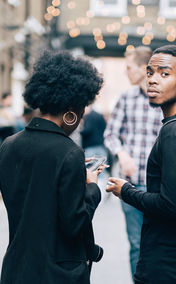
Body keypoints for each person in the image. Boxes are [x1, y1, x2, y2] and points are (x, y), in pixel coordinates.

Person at [106, 44, 176, 284]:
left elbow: (172, 205)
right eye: (150, 73)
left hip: (172, 263)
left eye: (164, 74)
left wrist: (125, 191)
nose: (153, 80)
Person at [0, 50, 104, 284]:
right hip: (57, 273)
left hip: (16, 269)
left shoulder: (8, 145)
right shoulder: (69, 152)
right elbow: (74, 223)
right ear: (72, 111)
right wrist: (92, 188)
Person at [104, 46, 162, 278]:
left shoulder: (163, 98)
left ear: (143, 68)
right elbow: (110, 134)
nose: (126, 72)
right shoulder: (126, 98)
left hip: (159, 187)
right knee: (136, 244)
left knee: (158, 244)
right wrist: (121, 154)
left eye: (129, 67)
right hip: (130, 185)